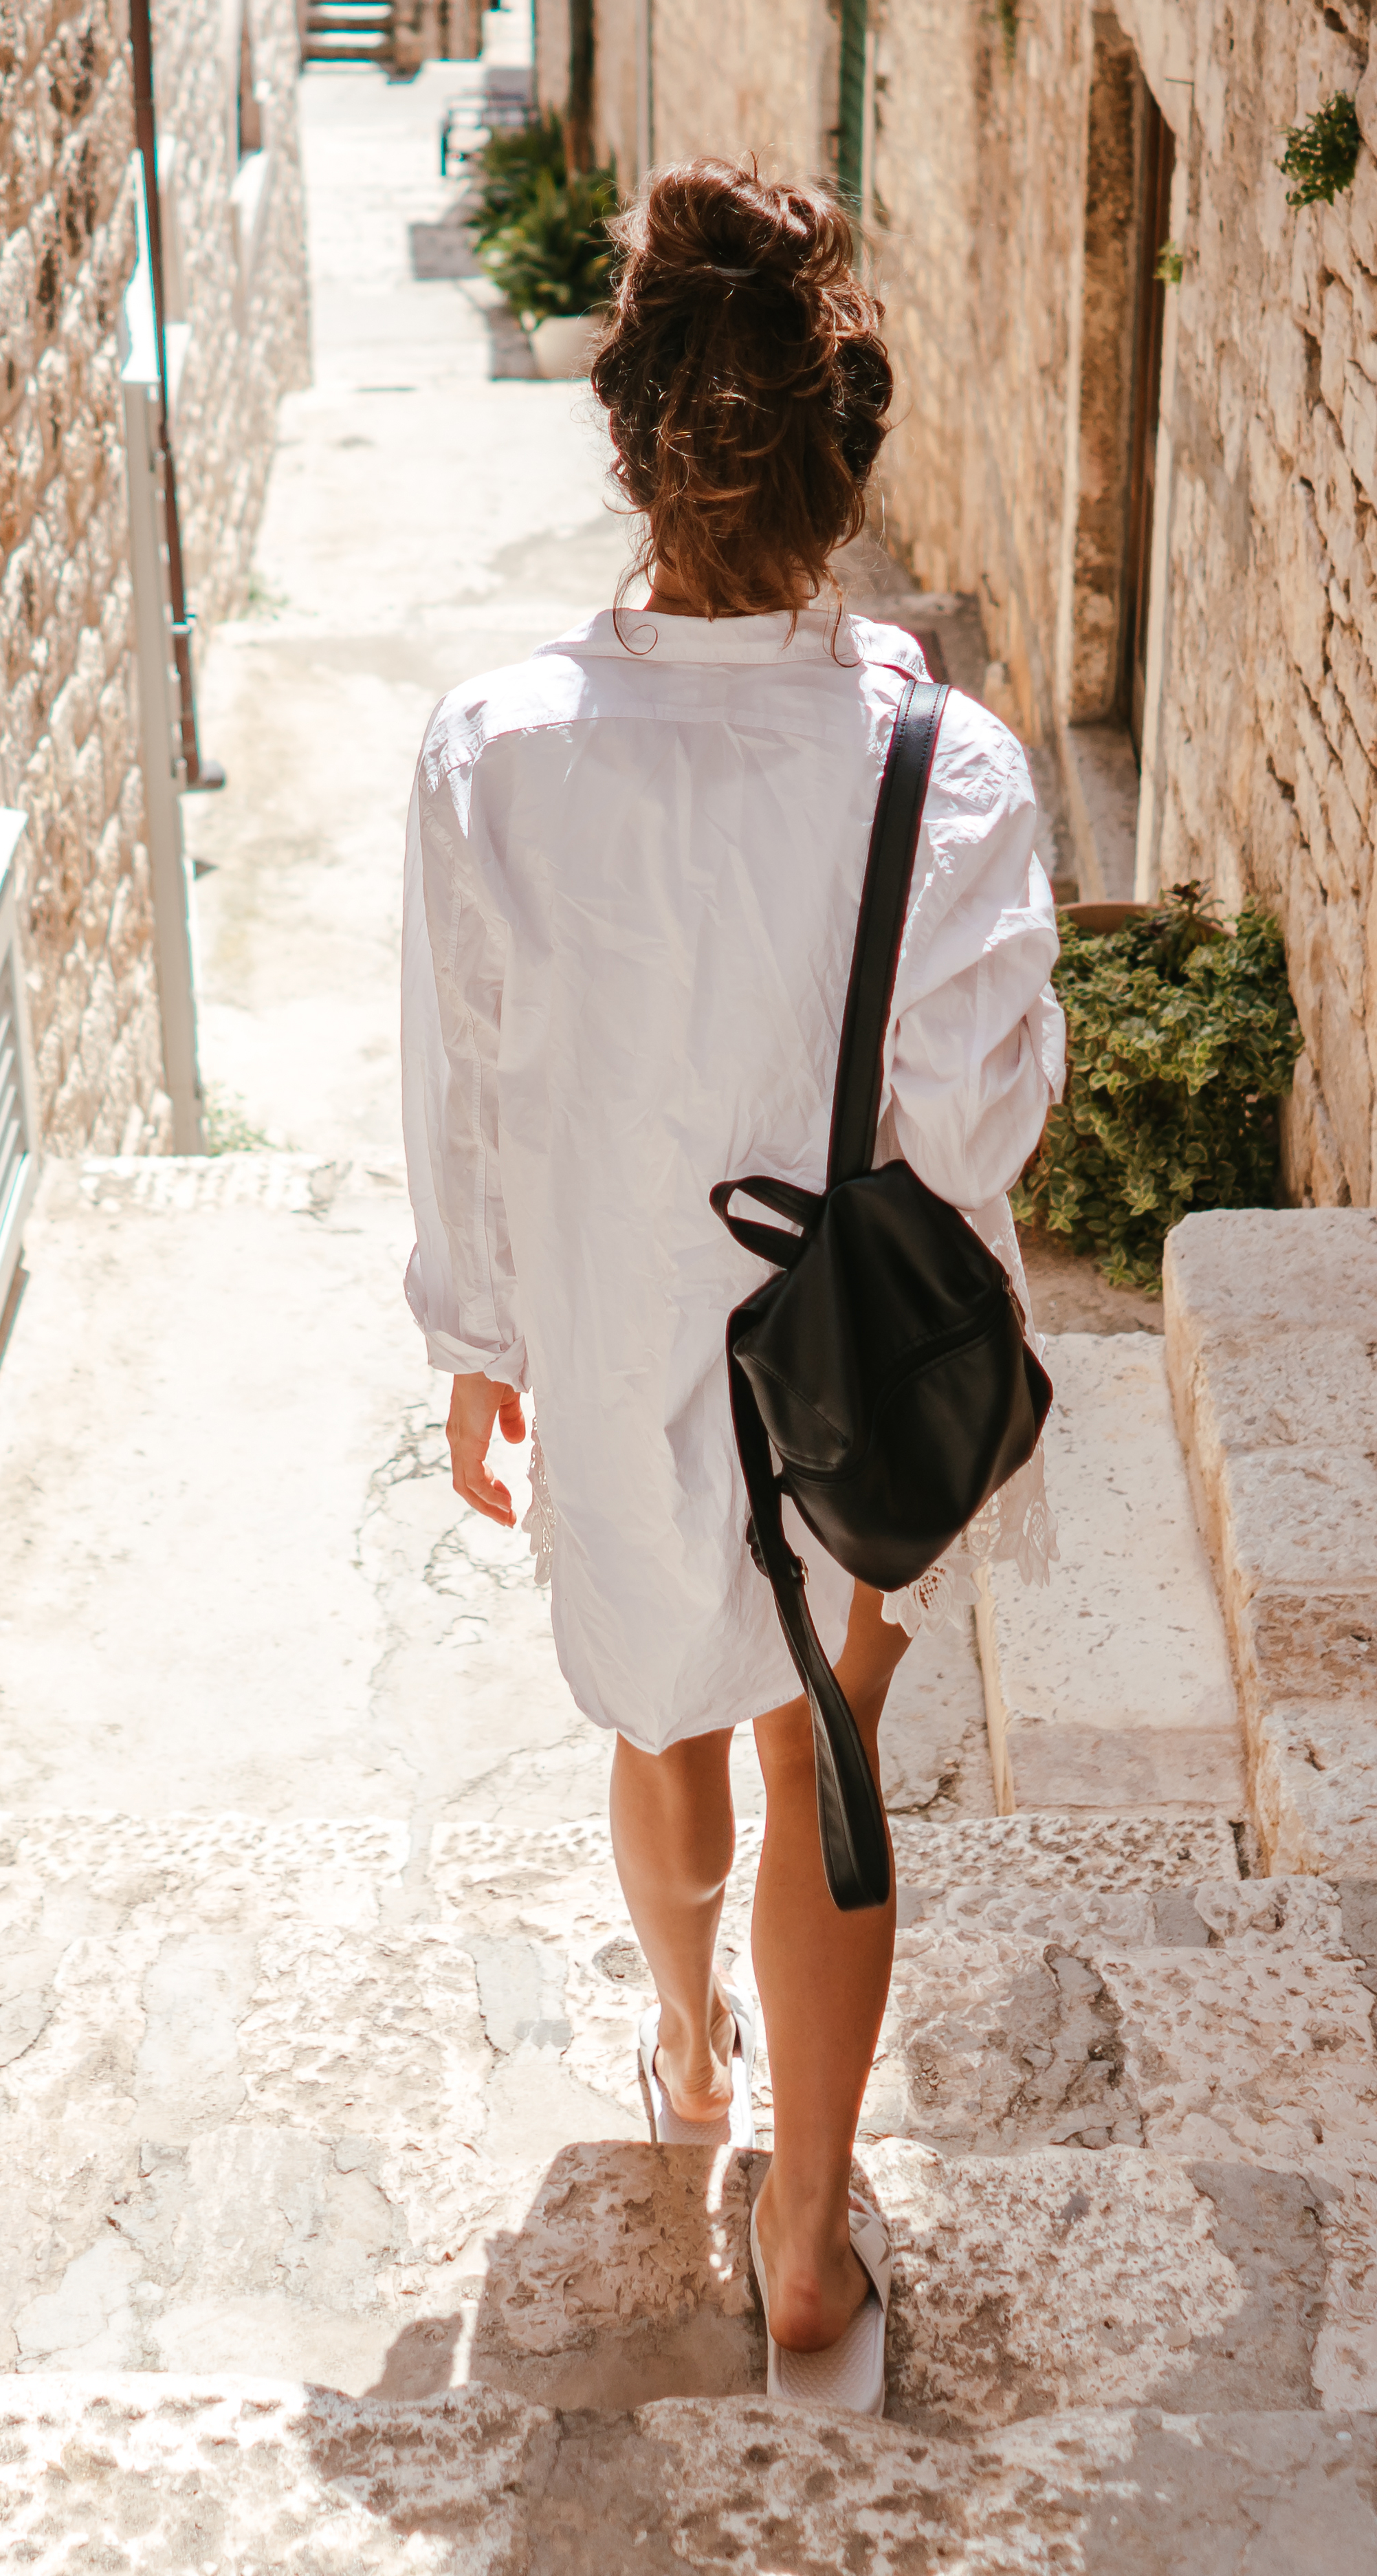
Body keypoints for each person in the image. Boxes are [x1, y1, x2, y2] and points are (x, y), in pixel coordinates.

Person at [395, 162, 1065, 2414]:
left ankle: (683, 2051)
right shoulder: (943, 768)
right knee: (828, 1743)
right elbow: (983, 1128)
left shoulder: (494, 752)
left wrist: (481, 1348)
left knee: (660, 1714)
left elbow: (465, 1081)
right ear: (846, 466)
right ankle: (800, 2243)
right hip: (842, 1376)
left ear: (634, 447)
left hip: (598, 1323)